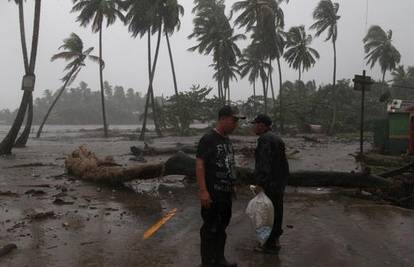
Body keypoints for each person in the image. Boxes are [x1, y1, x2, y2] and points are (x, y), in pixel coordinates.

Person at [196, 106, 245, 267]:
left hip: (225, 194)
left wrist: (233, 185)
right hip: (212, 194)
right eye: (234, 120)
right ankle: (207, 263)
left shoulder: (226, 140)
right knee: (210, 229)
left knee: (222, 228)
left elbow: (229, 164)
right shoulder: (208, 139)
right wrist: (203, 191)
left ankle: (219, 259)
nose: (235, 124)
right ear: (223, 119)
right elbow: (200, 164)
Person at [251, 114, 289, 254]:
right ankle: (275, 239)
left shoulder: (264, 139)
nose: (253, 126)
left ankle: (269, 244)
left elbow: (264, 164)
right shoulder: (277, 138)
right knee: (277, 211)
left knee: (266, 214)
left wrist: (260, 183)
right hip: (279, 183)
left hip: (270, 184)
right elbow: (284, 164)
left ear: (262, 125)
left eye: (255, 124)